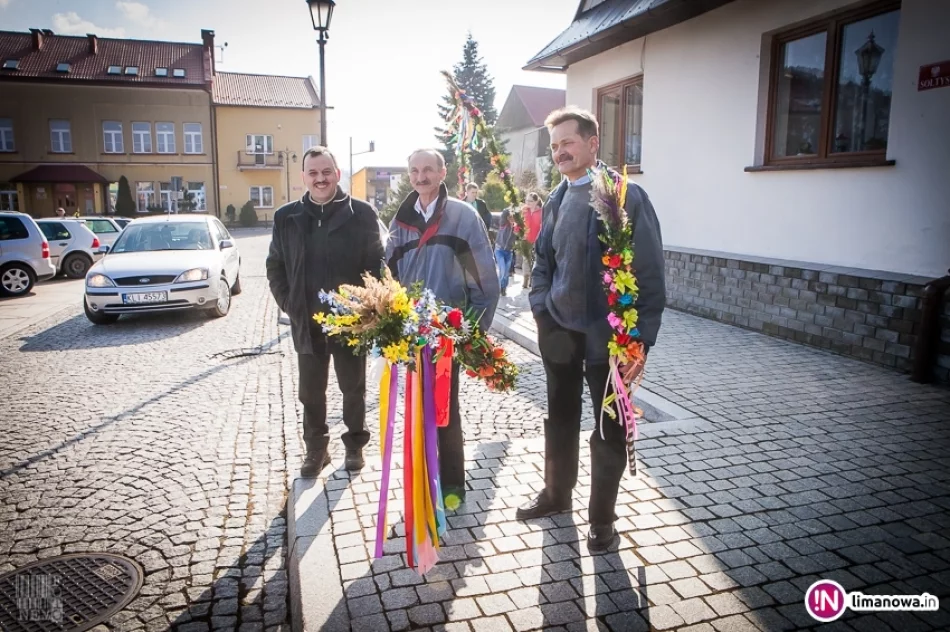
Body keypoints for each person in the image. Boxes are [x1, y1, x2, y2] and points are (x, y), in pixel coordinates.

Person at [517, 107, 666, 552]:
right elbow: (542, 260)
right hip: (560, 332)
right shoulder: (556, 199)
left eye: (568, 142)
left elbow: (650, 272)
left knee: (609, 428)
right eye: (555, 144)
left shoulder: (626, 197)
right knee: (559, 419)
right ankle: (556, 496)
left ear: (592, 143)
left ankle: (602, 519)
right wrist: (541, 312)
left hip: (611, 341)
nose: (560, 151)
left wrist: (639, 340)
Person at [386, 149, 500, 506]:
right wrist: (390, 326)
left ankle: (451, 487)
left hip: (447, 336)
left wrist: (471, 337)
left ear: (442, 172)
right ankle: (422, 479)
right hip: (410, 335)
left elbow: (485, 282)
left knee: (444, 413)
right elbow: (388, 277)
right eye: (415, 170)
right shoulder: (400, 223)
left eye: (428, 170)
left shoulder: (462, 218)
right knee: (418, 411)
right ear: (409, 175)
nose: (421, 177)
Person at [266, 146, 385, 478]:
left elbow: (376, 264)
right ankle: (316, 449)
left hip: (350, 321)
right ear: (303, 176)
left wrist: (365, 307)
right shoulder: (286, 217)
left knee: (353, 387)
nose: (320, 179)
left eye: (326, 172)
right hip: (307, 321)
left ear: (337, 173)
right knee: (311, 391)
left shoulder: (361, 214)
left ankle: (354, 445)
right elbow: (275, 267)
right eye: (313, 173)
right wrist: (291, 304)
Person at [517, 192, 543, 288]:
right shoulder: (524, 210)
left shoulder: (541, 212)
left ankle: (533, 279)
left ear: (536, 201)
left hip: (537, 240)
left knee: (536, 260)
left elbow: (543, 226)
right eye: (526, 200)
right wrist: (519, 231)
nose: (527, 203)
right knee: (526, 260)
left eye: (530, 201)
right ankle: (525, 279)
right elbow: (518, 223)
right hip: (526, 239)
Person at [494, 208, 517, 296]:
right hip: (499, 250)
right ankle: (499, 287)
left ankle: (503, 288)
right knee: (502, 270)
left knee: (506, 272)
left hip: (509, 252)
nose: (511, 219)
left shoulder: (516, 228)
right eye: (510, 217)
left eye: (513, 217)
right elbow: (504, 213)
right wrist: (512, 208)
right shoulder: (503, 224)